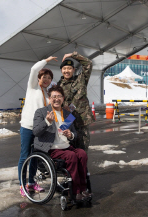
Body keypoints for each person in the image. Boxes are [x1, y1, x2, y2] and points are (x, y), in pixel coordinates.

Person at [33, 85, 91, 201]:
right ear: (49, 98)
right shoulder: (42, 112)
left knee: (82, 154)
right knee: (71, 156)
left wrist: (71, 135)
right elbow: (36, 131)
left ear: (63, 98)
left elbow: (74, 134)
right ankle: (74, 191)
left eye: (59, 96)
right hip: (51, 149)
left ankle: (83, 189)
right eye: (53, 96)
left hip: (66, 146)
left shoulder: (67, 114)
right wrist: (46, 122)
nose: (56, 99)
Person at [18, 56, 57, 197]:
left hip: (40, 129)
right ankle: (22, 185)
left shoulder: (48, 94)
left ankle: (31, 183)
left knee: (35, 156)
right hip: (28, 127)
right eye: (44, 77)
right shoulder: (32, 87)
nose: (46, 80)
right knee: (24, 156)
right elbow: (34, 69)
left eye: (49, 78)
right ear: (39, 78)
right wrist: (46, 60)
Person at [57, 51, 95, 152]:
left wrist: (73, 55)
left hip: (81, 120)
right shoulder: (58, 86)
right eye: (64, 68)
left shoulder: (81, 79)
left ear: (73, 69)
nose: (67, 71)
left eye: (69, 68)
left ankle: (83, 168)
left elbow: (88, 63)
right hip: (67, 121)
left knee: (82, 150)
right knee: (69, 150)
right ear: (61, 70)